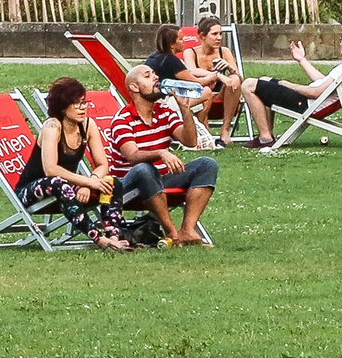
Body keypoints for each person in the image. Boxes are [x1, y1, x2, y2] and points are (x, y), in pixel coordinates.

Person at [16, 77, 131, 251]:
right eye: (77, 104)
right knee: (59, 183)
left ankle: (113, 236)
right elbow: (50, 169)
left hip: (68, 185)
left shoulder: (88, 125)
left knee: (111, 182)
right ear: (62, 107)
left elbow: (102, 164)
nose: (83, 107)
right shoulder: (52, 127)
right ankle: (99, 238)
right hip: (32, 189)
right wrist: (85, 182)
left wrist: (91, 181)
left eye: (84, 102)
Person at [107, 65, 217, 246]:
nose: (156, 78)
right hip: (126, 185)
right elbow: (132, 156)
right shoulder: (123, 120)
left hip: (158, 180)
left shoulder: (164, 112)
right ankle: (172, 233)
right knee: (144, 169)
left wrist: (185, 109)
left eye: (155, 74)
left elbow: (190, 141)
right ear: (135, 87)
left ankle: (187, 230)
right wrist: (161, 152)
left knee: (207, 164)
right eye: (148, 76)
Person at [238, 28, 342, 149]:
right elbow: (322, 81)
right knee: (264, 81)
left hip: (305, 103)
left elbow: (316, 92)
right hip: (309, 102)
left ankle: (265, 138)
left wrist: (288, 84)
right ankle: (267, 135)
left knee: (248, 85)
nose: (340, 44)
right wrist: (301, 60)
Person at [183, 25, 247, 144]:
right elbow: (191, 72)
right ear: (202, 36)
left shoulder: (224, 51)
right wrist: (217, 75)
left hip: (221, 97)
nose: (219, 38)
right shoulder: (190, 52)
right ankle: (205, 132)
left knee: (234, 79)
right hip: (199, 96)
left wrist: (230, 68)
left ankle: (225, 131)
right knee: (205, 88)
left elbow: (240, 80)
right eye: (214, 34)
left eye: (220, 34)